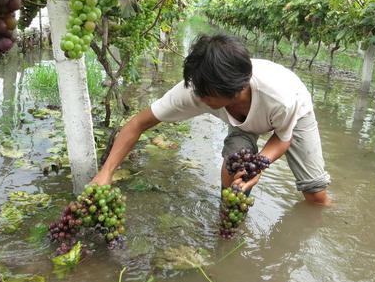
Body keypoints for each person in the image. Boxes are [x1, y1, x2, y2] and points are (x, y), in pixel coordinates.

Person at [91, 33, 331, 206]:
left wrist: (258, 164)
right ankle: (228, 222)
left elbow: (282, 138)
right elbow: (137, 123)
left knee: (315, 194)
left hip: (295, 115)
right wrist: (106, 172)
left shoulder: (281, 99)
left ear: (235, 91)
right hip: (243, 118)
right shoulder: (196, 90)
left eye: (206, 96)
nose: (198, 98)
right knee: (234, 169)